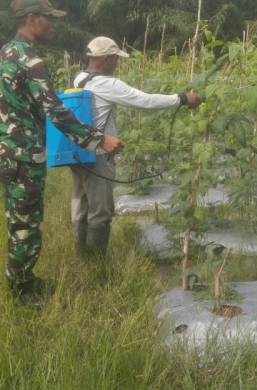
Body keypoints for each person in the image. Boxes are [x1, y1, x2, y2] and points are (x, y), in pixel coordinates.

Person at [0, 0, 123, 307]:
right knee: (26, 225)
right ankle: (21, 293)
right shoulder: (30, 61)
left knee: (18, 219)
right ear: (32, 19)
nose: (53, 24)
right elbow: (56, 112)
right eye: (49, 18)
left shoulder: (5, 51)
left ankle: (23, 278)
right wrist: (98, 139)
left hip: (7, 150)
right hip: (24, 155)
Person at [70, 36, 203, 257]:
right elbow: (146, 101)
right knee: (101, 211)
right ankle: (95, 265)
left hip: (79, 152)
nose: (117, 62)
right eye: (115, 58)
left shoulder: (80, 78)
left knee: (81, 206)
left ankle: (81, 256)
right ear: (104, 58)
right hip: (99, 155)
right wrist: (181, 99)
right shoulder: (108, 84)